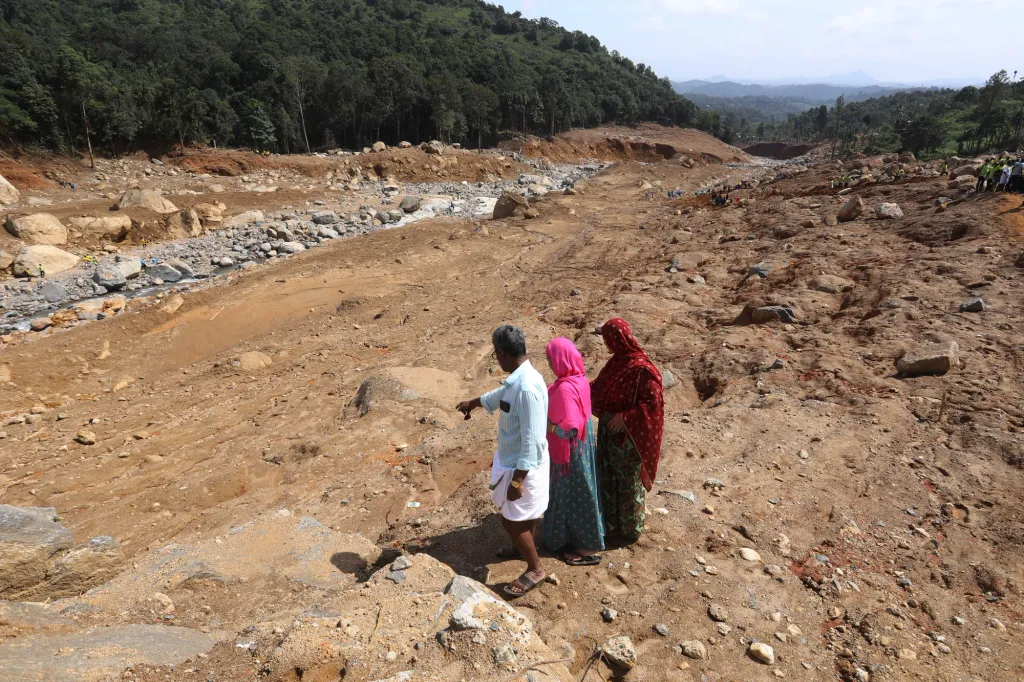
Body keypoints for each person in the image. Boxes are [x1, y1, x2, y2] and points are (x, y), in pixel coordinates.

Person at [457, 325, 550, 597]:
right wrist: (472, 403)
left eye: (495, 354)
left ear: (501, 352)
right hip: (518, 462)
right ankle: (521, 547)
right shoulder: (518, 379)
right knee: (523, 517)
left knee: (510, 521)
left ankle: (535, 568)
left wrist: (518, 480)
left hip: (522, 466)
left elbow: (532, 439)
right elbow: (499, 398)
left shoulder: (527, 388)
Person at [590, 319, 664, 544]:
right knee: (608, 477)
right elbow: (599, 386)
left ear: (617, 339)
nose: (606, 344)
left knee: (628, 482)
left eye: (607, 340)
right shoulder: (616, 363)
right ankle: (611, 525)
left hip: (628, 437)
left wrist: (625, 418)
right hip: (608, 433)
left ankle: (631, 530)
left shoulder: (642, 369)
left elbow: (654, 404)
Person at [540, 338, 605, 566]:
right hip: (581, 446)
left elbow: (570, 427)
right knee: (578, 493)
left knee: (576, 495)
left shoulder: (566, 388)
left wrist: (549, 427)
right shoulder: (578, 379)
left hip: (570, 451)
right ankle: (569, 537)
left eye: (550, 358)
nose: (549, 362)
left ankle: (586, 547)